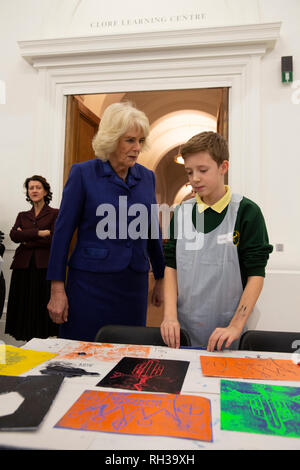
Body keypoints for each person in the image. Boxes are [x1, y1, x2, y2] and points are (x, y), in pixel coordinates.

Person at [47, 101, 165, 342]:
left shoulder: (147, 177)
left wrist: (161, 277)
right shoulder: (82, 173)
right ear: (112, 139)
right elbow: (62, 233)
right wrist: (57, 289)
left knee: (129, 355)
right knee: (84, 352)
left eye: (141, 141)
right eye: (130, 140)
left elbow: (152, 230)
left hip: (133, 285)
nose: (137, 148)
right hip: (90, 285)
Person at [161, 131, 273, 351]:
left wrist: (235, 326)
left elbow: (256, 274)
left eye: (203, 170)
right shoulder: (182, 213)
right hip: (183, 330)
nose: (195, 178)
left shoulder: (246, 212)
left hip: (230, 333)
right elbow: (171, 266)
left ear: (223, 167)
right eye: (189, 171)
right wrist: (169, 316)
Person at [5, 176, 59, 341]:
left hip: (43, 267)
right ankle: (27, 345)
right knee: (24, 306)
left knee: (40, 305)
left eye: (38, 187)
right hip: (23, 267)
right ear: (28, 192)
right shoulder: (22, 215)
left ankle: (41, 346)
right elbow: (14, 235)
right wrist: (38, 233)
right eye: (31, 188)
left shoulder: (55, 213)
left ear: (45, 191)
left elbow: (53, 238)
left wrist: (26, 238)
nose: (34, 190)